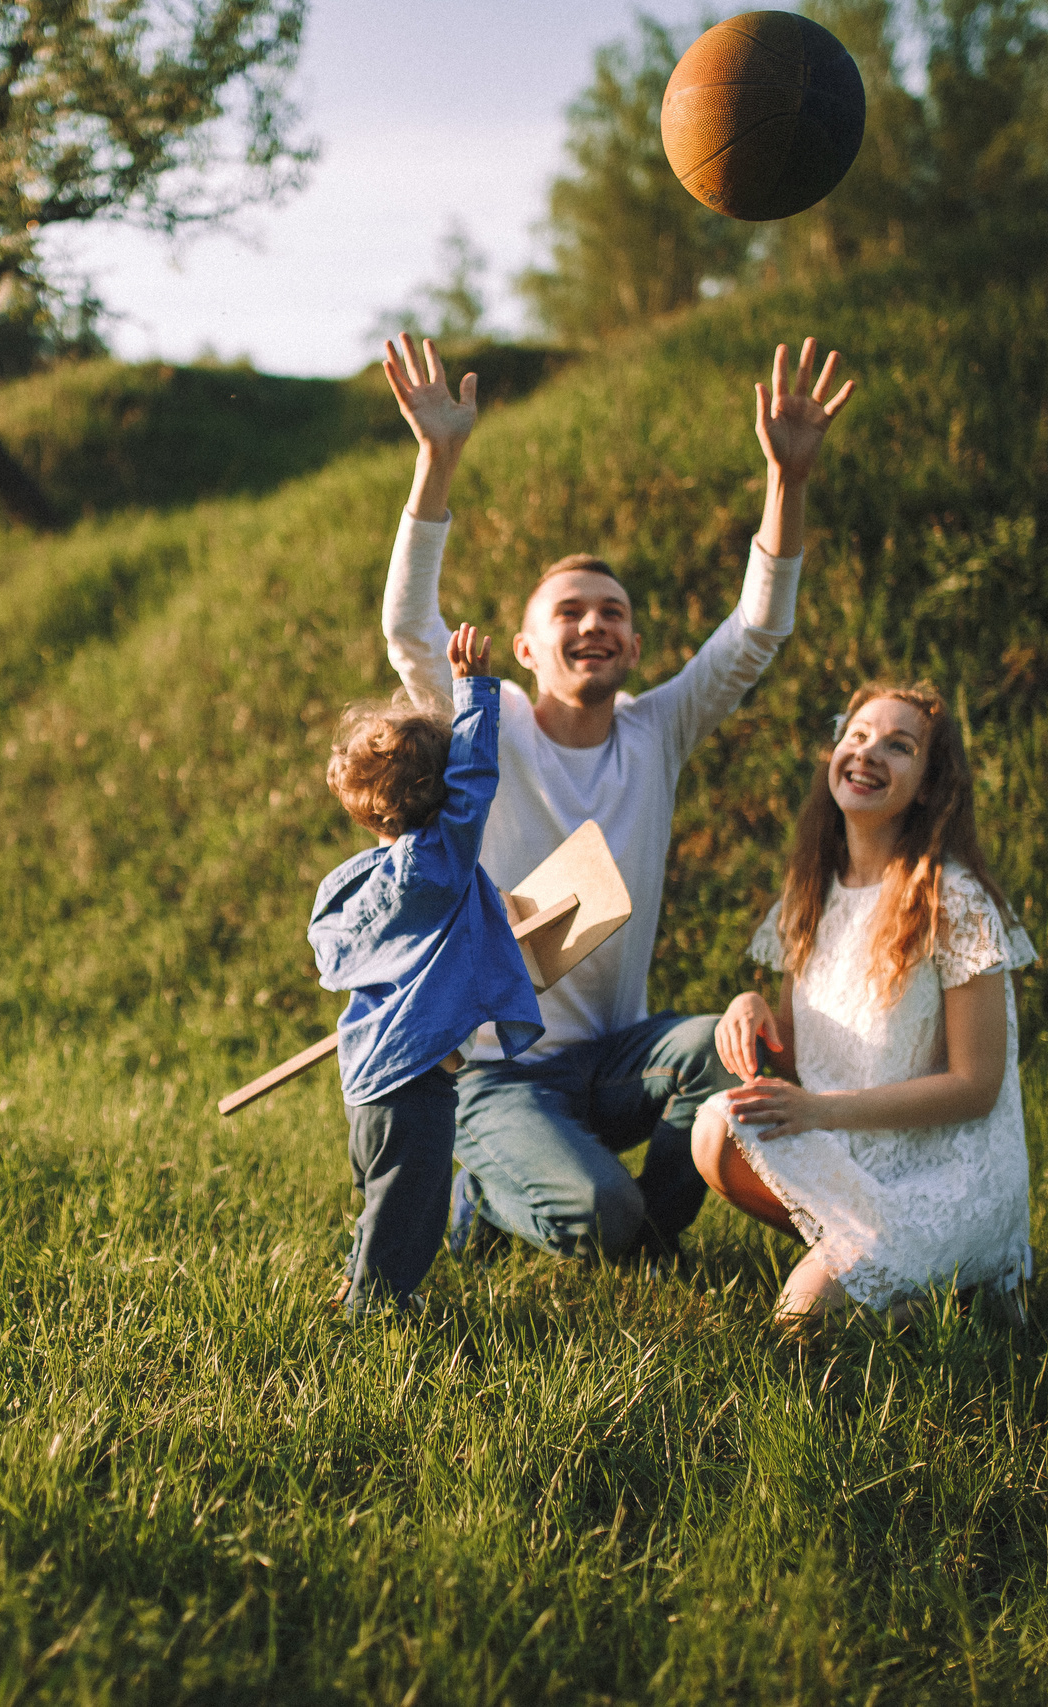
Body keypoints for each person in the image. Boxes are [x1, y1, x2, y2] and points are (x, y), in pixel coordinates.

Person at [378, 331, 855, 1264]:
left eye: (614, 613)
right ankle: (513, 1184)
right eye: (570, 611)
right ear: (525, 648)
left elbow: (759, 631)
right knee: (598, 1215)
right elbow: (406, 626)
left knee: (726, 1048)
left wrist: (788, 483)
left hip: (609, 1061)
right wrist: (438, 458)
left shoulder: (656, 731)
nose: (595, 621)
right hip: (497, 1072)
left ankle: (635, 1223)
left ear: (634, 649)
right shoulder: (494, 723)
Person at [689, 681, 1038, 1326]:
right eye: (856, 735)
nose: (868, 752)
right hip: (855, 1154)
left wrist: (821, 1111)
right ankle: (893, 1278)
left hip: (943, 1174)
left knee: (802, 1320)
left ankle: (961, 1282)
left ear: (930, 786)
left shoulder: (953, 900)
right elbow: (790, 1053)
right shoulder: (812, 893)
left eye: (899, 746)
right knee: (716, 1130)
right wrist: (747, 1006)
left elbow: (976, 1086)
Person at [309, 623, 546, 1315]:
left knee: (381, 1197)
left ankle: (357, 1282)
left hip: (366, 1085)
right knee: (413, 1211)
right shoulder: (438, 867)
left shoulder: (355, 885)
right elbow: (474, 784)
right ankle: (379, 1307)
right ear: (441, 798)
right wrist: (473, 689)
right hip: (414, 1088)